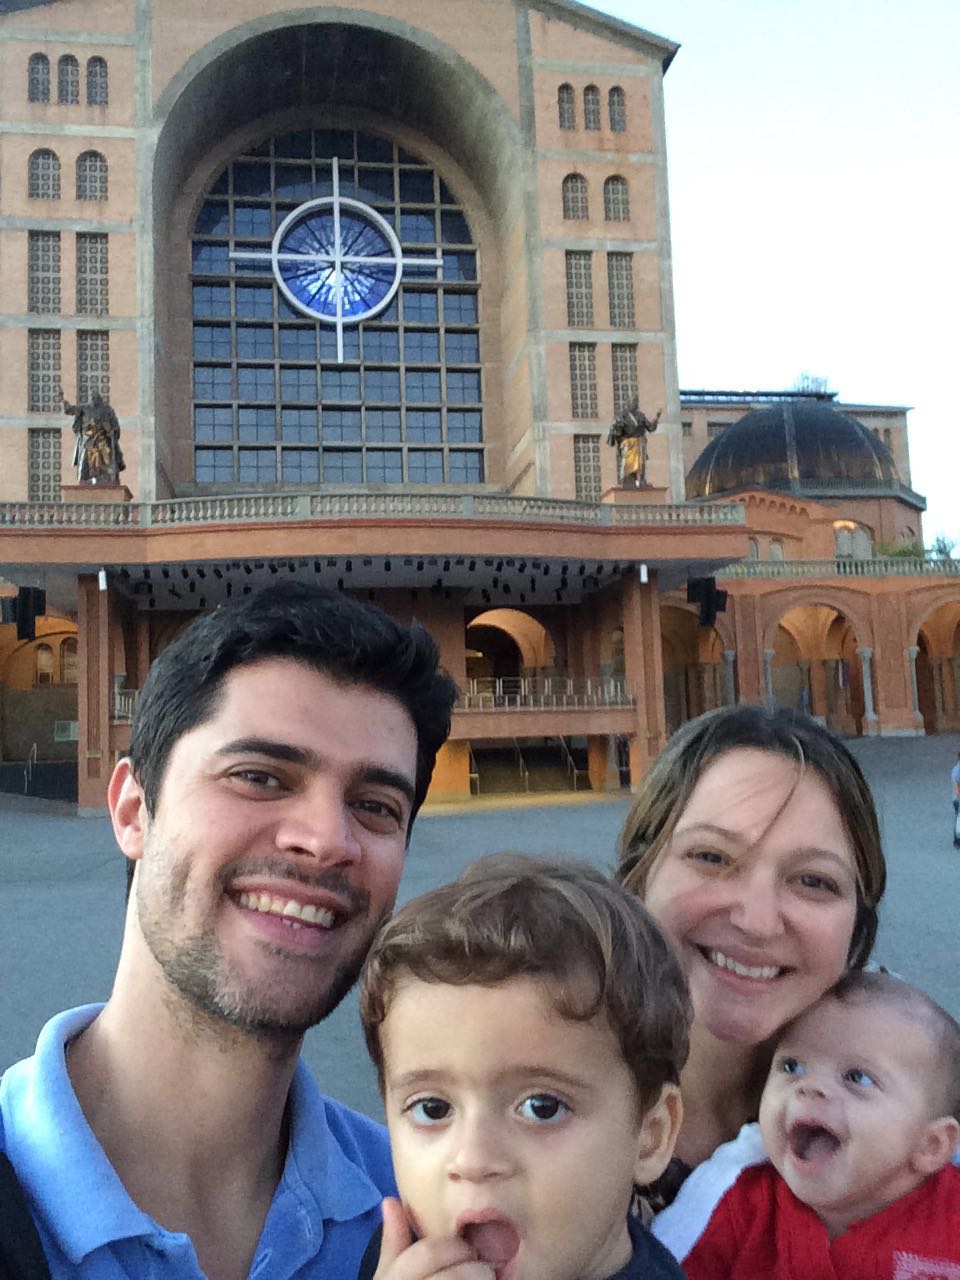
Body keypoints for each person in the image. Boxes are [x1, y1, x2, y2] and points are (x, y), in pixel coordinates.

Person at [0, 582, 458, 1280]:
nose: (326, 840)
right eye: (260, 777)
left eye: (375, 806)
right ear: (132, 810)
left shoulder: (431, 1213)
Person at [357, 852, 691, 1280]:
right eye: (432, 1108)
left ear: (651, 1135)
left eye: (542, 1107)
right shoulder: (401, 1259)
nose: (473, 1160)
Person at [615, 704, 887, 1209]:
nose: (756, 921)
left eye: (813, 881)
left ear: (858, 921)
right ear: (639, 873)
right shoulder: (534, 1082)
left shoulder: (920, 1091)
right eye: (712, 857)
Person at [653, 971, 960, 1277]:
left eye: (857, 1077)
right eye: (792, 1066)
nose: (808, 1086)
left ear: (931, 1145)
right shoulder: (735, 1201)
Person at [951, 750, 960, 848]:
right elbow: (956, 786)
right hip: (958, 799)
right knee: (958, 818)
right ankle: (957, 840)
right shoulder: (957, 770)